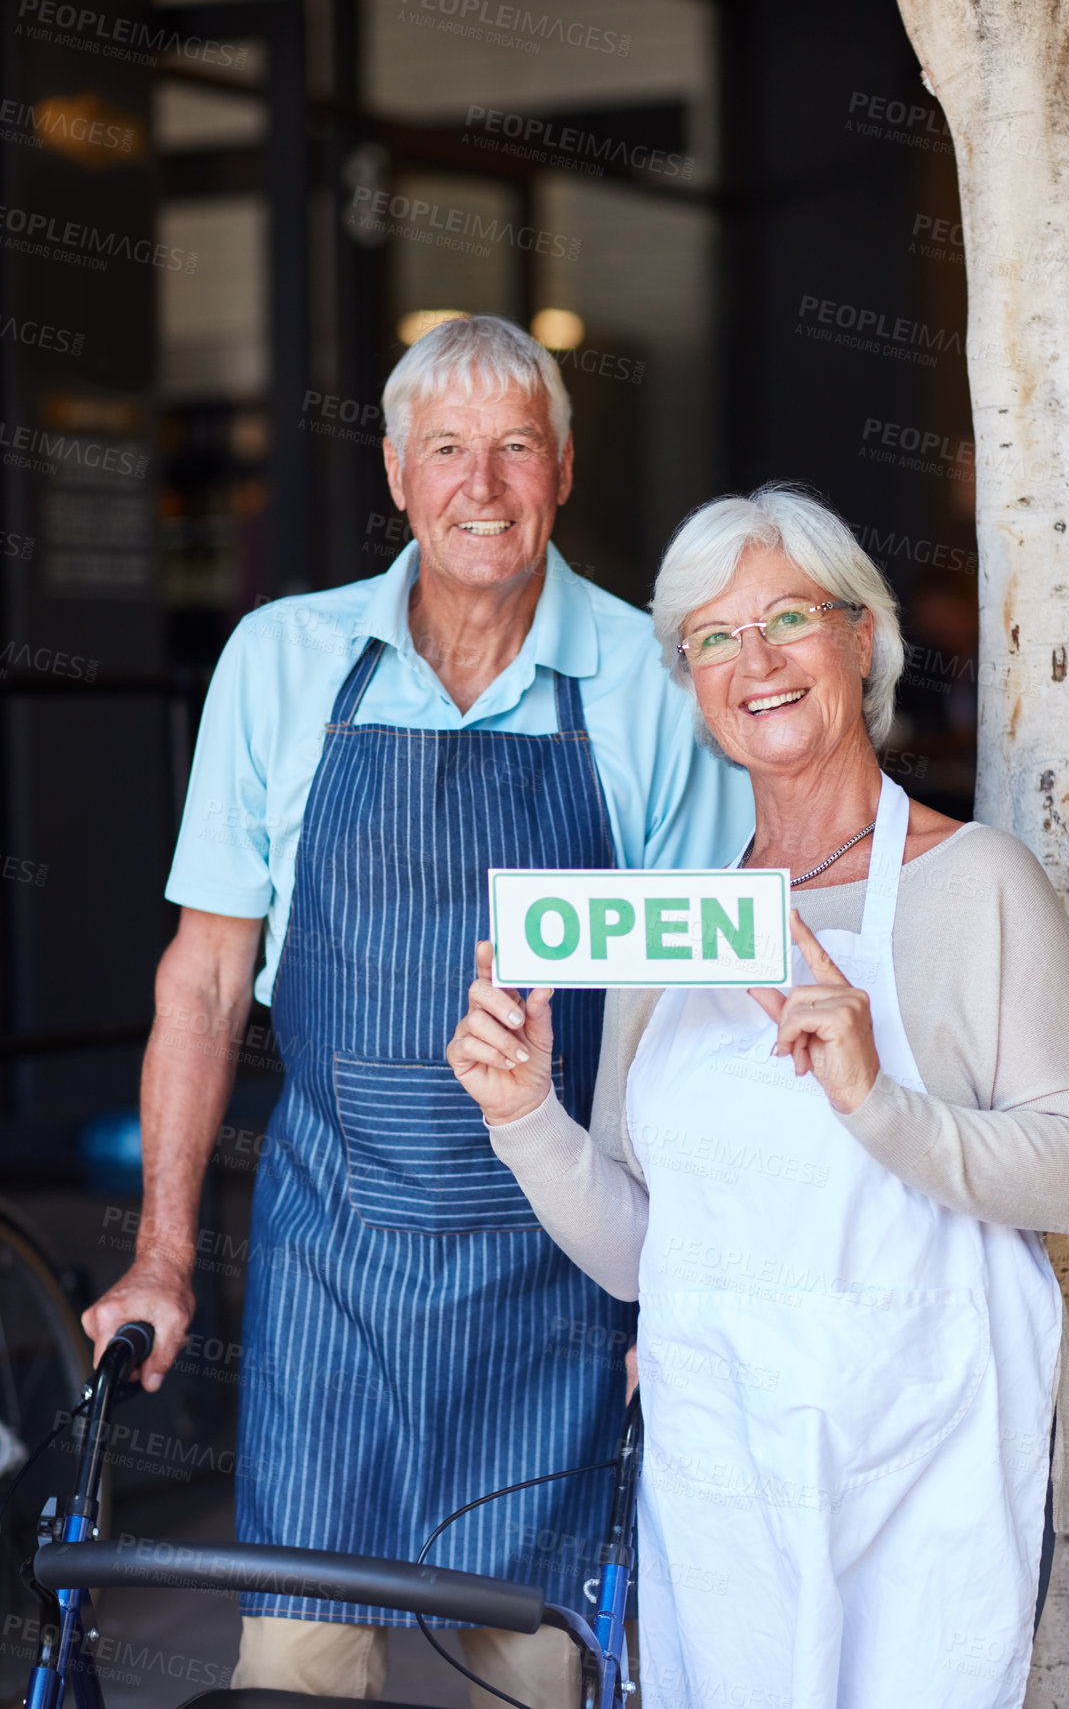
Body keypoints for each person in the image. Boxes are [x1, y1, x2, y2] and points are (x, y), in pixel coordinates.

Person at [81, 317, 754, 1708]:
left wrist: (682, 1281)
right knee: (295, 1666)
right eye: (447, 449)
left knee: (534, 1663)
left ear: (563, 469)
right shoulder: (281, 661)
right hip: (336, 1260)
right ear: (396, 472)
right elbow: (203, 980)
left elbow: (700, 1008)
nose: (482, 484)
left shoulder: (648, 682)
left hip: (557, 1268)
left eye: (515, 447)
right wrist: (159, 1256)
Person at [449, 483, 1069, 1709]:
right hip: (721, 1488)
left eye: (785, 621)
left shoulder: (976, 884)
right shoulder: (666, 923)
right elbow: (643, 1256)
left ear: (861, 639)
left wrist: (877, 1100)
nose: (750, 661)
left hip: (919, 1478)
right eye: (710, 637)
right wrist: (521, 1116)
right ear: (690, 683)